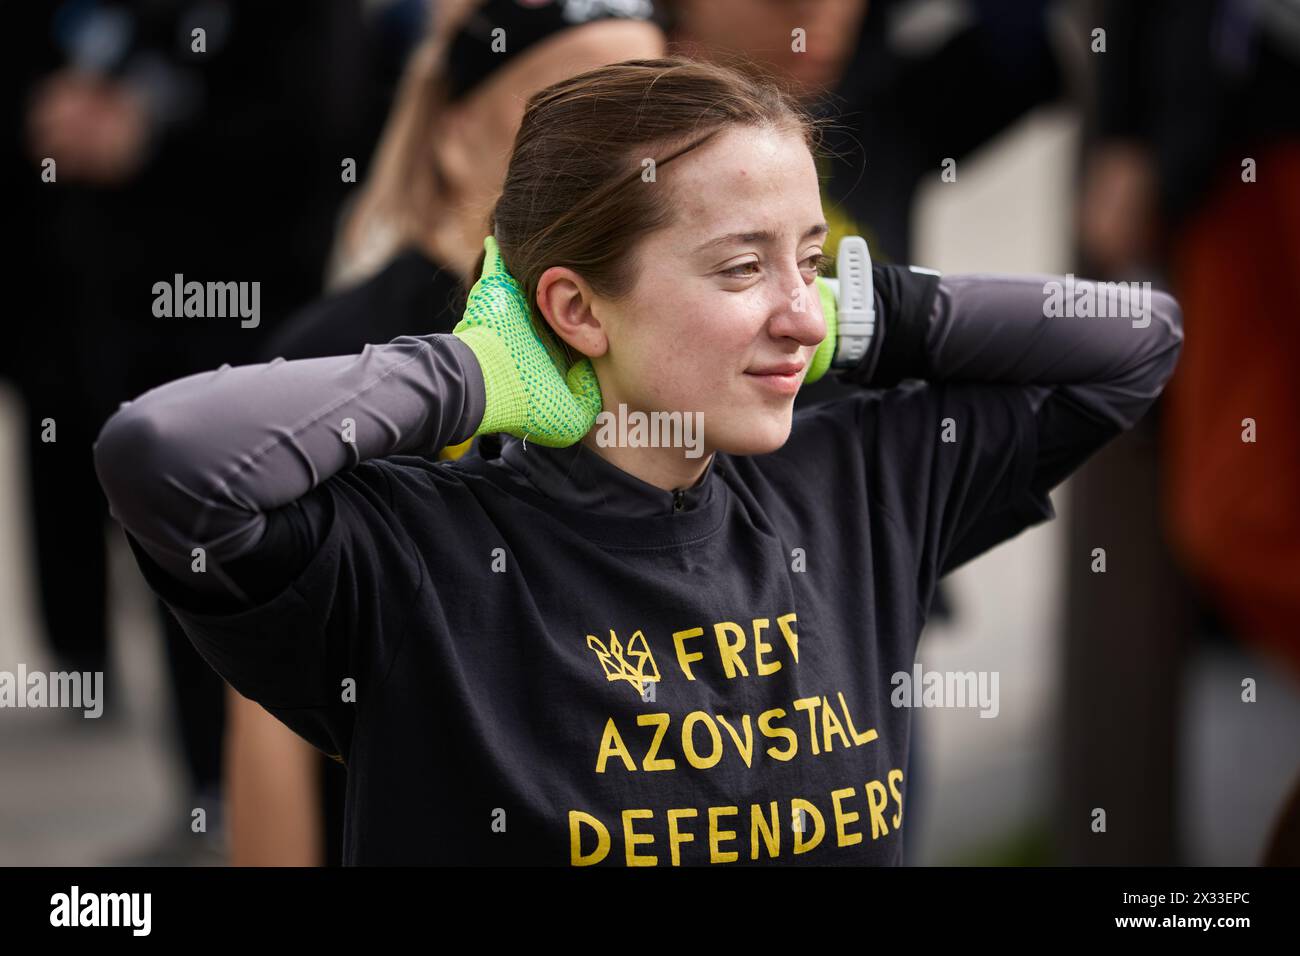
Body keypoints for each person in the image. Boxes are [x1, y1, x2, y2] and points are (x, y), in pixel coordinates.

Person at [94, 57, 1182, 865]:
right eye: (740, 266)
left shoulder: (858, 473)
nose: (797, 315)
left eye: (810, 260)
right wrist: (470, 375)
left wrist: (870, 311)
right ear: (573, 305)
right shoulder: (414, 548)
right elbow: (164, 454)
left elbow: (1135, 340)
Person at [233, 0, 667, 865]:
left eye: (652, 110)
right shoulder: (338, 353)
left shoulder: (658, 333)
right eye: (573, 110)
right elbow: (267, 709)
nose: (627, 156)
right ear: (458, 136)